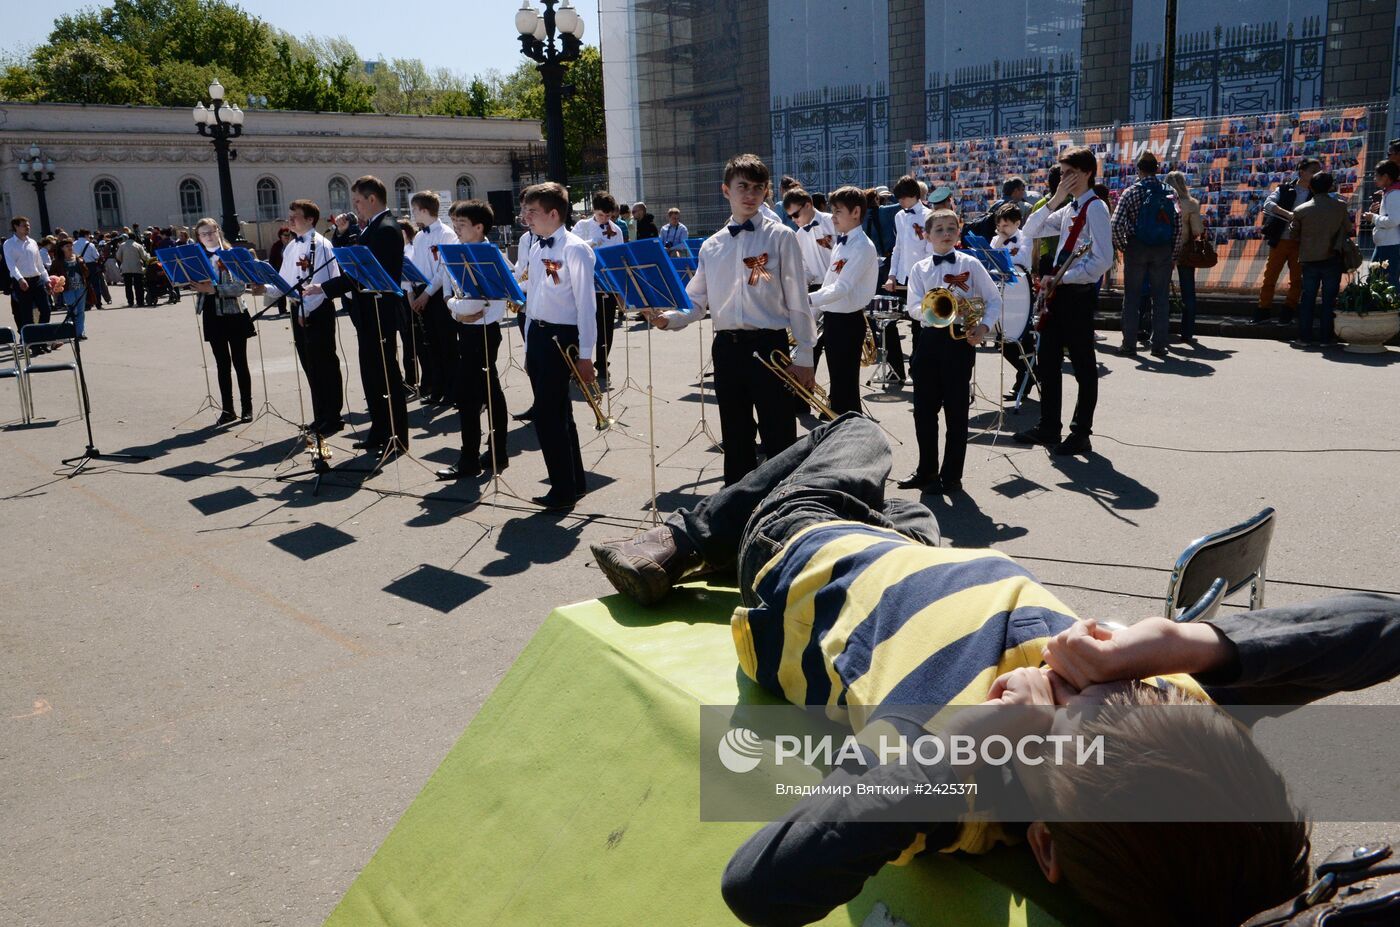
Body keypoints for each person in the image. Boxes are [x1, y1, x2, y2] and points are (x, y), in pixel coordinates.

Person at [588, 413, 1400, 927]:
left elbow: (759, 887)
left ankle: (697, 536)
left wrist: (963, 737)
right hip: (918, 553)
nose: (1074, 659)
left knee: (858, 431)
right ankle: (709, 529)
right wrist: (1189, 645)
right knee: (895, 490)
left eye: (1069, 698)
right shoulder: (1174, 711)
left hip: (806, 558)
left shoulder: (945, 774)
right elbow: (1385, 628)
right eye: (1127, 684)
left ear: (1041, 844)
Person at [649, 153, 818, 487]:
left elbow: (799, 300)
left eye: (758, 188)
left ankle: (782, 512)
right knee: (736, 437)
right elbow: (696, 302)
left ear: (767, 191)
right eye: (742, 186)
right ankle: (735, 513)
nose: (750, 194)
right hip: (727, 350)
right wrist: (668, 318)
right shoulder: (712, 246)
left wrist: (806, 355)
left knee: (780, 436)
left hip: (770, 347)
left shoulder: (781, 237)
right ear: (726, 190)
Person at [1015, 146, 1113, 457]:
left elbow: (1102, 261)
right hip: (1058, 294)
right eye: (1062, 172)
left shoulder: (1095, 208)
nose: (1065, 178)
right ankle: (1048, 426)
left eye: (1070, 173)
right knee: (1048, 361)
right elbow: (1030, 230)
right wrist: (1056, 198)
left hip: (1076, 296)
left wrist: (1063, 278)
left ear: (1087, 173)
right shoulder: (1069, 208)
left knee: (1083, 364)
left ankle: (1081, 432)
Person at [899, 209, 1001, 494]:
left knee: (956, 413)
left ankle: (952, 475)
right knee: (924, 411)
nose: (945, 234)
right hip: (929, 340)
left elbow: (993, 299)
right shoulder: (919, 269)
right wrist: (930, 312)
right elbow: (912, 306)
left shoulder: (970, 263)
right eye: (939, 229)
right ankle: (926, 470)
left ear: (959, 231)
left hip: (960, 342)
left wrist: (983, 328)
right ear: (928, 236)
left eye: (950, 228)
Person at [308, 176, 410, 457]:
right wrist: (340, 235)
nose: (355, 207)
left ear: (372, 199)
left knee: (387, 374)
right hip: (367, 312)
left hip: (380, 310)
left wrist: (324, 288)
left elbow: (367, 274)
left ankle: (397, 435)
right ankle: (379, 430)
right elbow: (350, 261)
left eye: (357, 201)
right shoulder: (371, 228)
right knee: (372, 375)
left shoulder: (387, 228)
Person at [519, 181, 597, 509]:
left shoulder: (575, 248)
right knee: (560, 413)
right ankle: (574, 482)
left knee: (548, 417)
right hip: (537, 335)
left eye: (532, 211)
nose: (526, 217)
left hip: (561, 336)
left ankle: (562, 490)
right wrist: (527, 348)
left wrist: (587, 355)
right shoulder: (537, 247)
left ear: (554, 213)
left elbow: (586, 305)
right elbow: (533, 297)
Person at [435, 199, 510, 482]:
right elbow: (454, 296)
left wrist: (456, 308)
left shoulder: (489, 256)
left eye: (462, 225)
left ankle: (471, 458)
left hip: (484, 332)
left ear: (479, 228)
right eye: (455, 224)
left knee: (471, 396)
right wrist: (456, 310)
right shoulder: (461, 252)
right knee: (490, 390)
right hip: (468, 329)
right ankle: (496, 453)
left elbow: (481, 303)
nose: (456, 228)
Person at [265, 198, 343, 436]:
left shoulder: (320, 245)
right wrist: (265, 289)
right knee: (309, 365)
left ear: (310, 219)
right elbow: (284, 282)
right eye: (289, 215)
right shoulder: (291, 246)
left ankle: (332, 415)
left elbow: (322, 282)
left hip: (316, 310)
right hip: (298, 309)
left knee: (324, 363)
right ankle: (320, 414)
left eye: (295, 216)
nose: (290, 219)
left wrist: (305, 310)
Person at [808, 186, 879, 416]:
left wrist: (805, 300)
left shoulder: (862, 246)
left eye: (837, 211)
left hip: (848, 322)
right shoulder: (842, 242)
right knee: (838, 383)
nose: (832, 217)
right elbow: (830, 282)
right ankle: (838, 424)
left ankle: (849, 431)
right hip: (834, 320)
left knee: (846, 386)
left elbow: (842, 288)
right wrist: (813, 314)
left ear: (856, 212)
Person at [1111, 150, 1182, 358]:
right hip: (1163, 250)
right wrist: (1174, 253)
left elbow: (1115, 224)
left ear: (1138, 170)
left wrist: (1124, 246)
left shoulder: (1130, 192)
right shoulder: (1171, 193)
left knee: (1132, 298)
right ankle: (1159, 345)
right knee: (1160, 299)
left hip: (1136, 248)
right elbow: (1178, 226)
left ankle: (1129, 344)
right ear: (1157, 169)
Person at [190, 218, 255, 425]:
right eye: (203, 234)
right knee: (222, 364)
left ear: (218, 231)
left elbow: (240, 287)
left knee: (240, 362)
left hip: (234, 312)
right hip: (211, 312)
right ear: (198, 238)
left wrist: (214, 289)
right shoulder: (197, 259)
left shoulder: (231, 255)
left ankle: (247, 408)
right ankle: (228, 409)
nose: (208, 236)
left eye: (211, 231)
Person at [1274, 172, 1350, 345]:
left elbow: (1293, 234)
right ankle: (1326, 337)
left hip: (1309, 259)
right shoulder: (1340, 206)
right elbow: (1348, 227)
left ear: (1311, 187)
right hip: (1332, 257)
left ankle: (1304, 337)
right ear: (1331, 187)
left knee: (1307, 298)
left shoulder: (1301, 210)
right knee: (1329, 299)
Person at [407, 191, 460, 406]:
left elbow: (443, 270)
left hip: (437, 294)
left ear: (424, 210)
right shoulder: (419, 237)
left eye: (414, 210)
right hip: (421, 292)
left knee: (447, 344)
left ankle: (453, 390)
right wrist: (412, 292)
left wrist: (427, 294)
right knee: (431, 345)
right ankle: (437, 389)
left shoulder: (446, 234)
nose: (412, 214)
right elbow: (413, 267)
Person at [1257, 158, 1320, 325]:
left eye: (1318, 172)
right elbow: (1268, 204)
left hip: (1301, 243)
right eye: (1313, 171)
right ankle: (1263, 311)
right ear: (1302, 172)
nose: (1316, 175)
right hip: (1281, 240)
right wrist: (1289, 215)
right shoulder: (1284, 189)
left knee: (1297, 280)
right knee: (1269, 277)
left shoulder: (1317, 194)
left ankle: (1287, 312)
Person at [989, 204, 1036, 399]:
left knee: (1021, 338)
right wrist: (999, 242)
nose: (1002, 229)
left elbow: (1022, 260)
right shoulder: (996, 239)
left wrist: (1005, 247)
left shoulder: (1025, 238)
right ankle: (1029, 374)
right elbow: (989, 260)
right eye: (999, 225)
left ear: (1017, 223)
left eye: (1006, 225)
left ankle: (1027, 377)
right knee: (1003, 340)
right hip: (1002, 292)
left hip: (1020, 290)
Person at [580, 191, 625, 389]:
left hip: (607, 286)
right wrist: (589, 244)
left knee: (606, 327)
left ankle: (602, 363)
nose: (605, 220)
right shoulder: (582, 226)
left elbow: (620, 257)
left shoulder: (616, 230)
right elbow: (572, 249)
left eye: (608, 216)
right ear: (593, 211)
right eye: (600, 215)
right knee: (586, 326)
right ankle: (582, 362)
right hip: (585, 285)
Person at [1165, 170, 1204, 344]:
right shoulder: (1191, 204)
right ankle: (1187, 333)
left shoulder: (1162, 201)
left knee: (1160, 292)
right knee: (1188, 293)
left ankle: (1159, 330)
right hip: (1185, 252)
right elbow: (1197, 230)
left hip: (1163, 251)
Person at [4, 217, 53, 332]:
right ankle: (34, 345)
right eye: (24, 225)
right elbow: (11, 265)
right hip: (22, 282)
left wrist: (47, 280)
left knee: (46, 309)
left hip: (37, 280)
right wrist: (20, 279)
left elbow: (39, 264)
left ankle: (42, 337)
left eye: (28, 225)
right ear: (16, 227)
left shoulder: (32, 242)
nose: (28, 227)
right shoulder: (9, 244)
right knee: (27, 314)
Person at [784, 188, 835, 289]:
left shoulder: (833, 222)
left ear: (808, 205)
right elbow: (805, 268)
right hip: (816, 289)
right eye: (790, 217)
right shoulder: (799, 235)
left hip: (839, 286)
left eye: (795, 215)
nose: (793, 219)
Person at [1364, 160, 1400, 288]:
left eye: (1376, 176)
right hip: (1384, 244)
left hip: (1391, 245)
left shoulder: (1394, 194)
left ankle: (1392, 307)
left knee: (1389, 282)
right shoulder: (1389, 192)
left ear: (1385, 177)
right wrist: (1376, 212)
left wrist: (1373, 218)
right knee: (1377, 279)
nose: (1374, 179)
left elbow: (1393, 220)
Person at [51, 238, 89, 339]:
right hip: (68, 289)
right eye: (67, 246)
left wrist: (84, 266)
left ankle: (79, 333)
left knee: (80, 311)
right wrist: (57, 282)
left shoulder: (78, 258)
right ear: (61, 248)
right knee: (73, 310)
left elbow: (86, 272)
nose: (70, 248)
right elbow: (52, 274)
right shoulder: (57, 261)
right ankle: (69, 330)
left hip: (81, 287)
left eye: (71, 246)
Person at [116, 233, 149, 308]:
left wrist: (124, 261)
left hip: (126, 268)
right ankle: (140, 301)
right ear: (135, 238)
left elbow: (118, 256)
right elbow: (144, 257)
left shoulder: (122, 245)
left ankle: (130, 302)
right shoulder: (138, 245)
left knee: (128, 286)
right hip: (136, 267)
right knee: (138, 286)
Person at [267, 227, 292, 317]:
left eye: (289, 235)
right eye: (285, 235)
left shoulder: (291, 244)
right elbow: (272, 260)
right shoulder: (276, 245)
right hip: (278, 271)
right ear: (280, 236)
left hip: (289, 271)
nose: (287, 237)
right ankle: (282, 311)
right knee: (281, 290)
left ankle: (292, 308)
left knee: (290, 289)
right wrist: (272, 272)